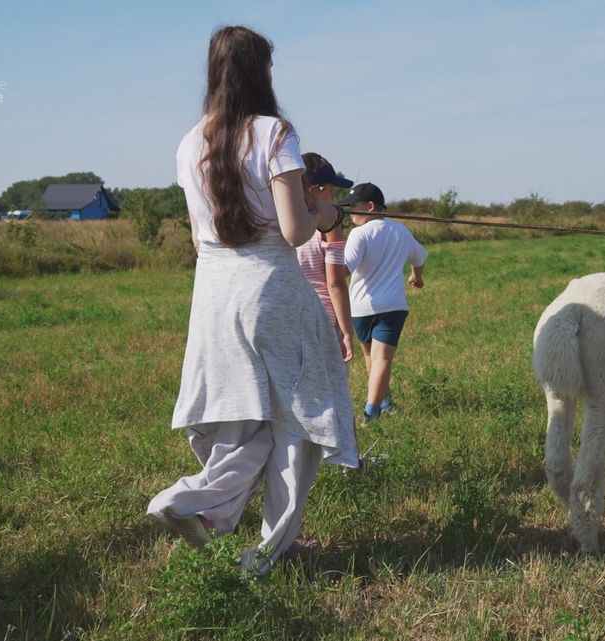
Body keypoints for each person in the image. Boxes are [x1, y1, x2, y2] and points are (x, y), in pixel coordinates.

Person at [146, 26, 357, 575]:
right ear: (261, 72)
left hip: (213, 291)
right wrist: (329, 216)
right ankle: (271, 551)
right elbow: (293, 230)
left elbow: (198, 236)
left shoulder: (189, 141)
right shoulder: (274, 132)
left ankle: (190, 501)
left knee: (241, 419)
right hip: (272, 287)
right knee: (297, 423)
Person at [340, 183, 427, 420]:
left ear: (370, 207)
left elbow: (344, 269)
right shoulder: (401, 231)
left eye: (353, 208)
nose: (349, 213)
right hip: (391, 306)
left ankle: (377, 405)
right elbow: (419, 256)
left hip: (359, 307)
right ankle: (374, 410)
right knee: (380, 359)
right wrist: (416, 276)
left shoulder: (358, 234)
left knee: (372, 358)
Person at [297, 153, 355, 362]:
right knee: (328, 388)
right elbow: (335, 283)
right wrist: (347, 332)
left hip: (289, 316)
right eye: (330, 191)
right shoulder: (330, 226)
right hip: (323, 318)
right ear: (315, 189)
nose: (333, 198)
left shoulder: (282, 223)